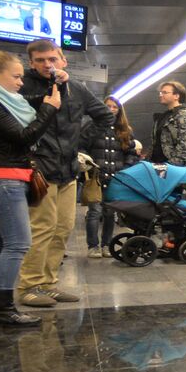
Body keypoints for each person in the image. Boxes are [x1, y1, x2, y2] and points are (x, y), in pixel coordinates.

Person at [0, 49, 62, 326]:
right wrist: (50, 109)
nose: (21, 83)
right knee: (18, 243)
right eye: (16, 76)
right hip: (4, 179)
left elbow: (31, 102)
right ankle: (3, 308)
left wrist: (55, 88)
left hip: (4, 178)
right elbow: (23, 137)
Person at [16, 40, 112, 308]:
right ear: (31, 63)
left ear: (63, 60)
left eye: (52, 59)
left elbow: (105, 117)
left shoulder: (77, 89)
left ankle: (48, 284)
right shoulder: (22, 86)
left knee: (63, 228)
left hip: (68, 169)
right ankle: (29, 285)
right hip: (39, 168)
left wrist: (80, 142)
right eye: (41, 60)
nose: (48, 65)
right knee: (41, 229)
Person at [81, 96, 139, 257]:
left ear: (119, 110)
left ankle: (106, 245)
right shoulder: (92, 126)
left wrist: (126, 169)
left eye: (115, 107)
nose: (111, 109)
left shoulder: (125, 130)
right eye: (108, 106)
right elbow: (81, 147)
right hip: (96, 177)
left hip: (116, 178)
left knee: (109, 213)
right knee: (94, 212)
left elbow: (131, 153)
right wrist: (88, 162)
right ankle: (93, 246)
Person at [150, 80, 186, 179]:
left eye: (165, 92)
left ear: (176, 96)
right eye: (160, 93)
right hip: (162, 170)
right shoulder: (163, 117)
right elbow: (156, 144)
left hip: (178, 172)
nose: (161, 95)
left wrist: (171, 166)